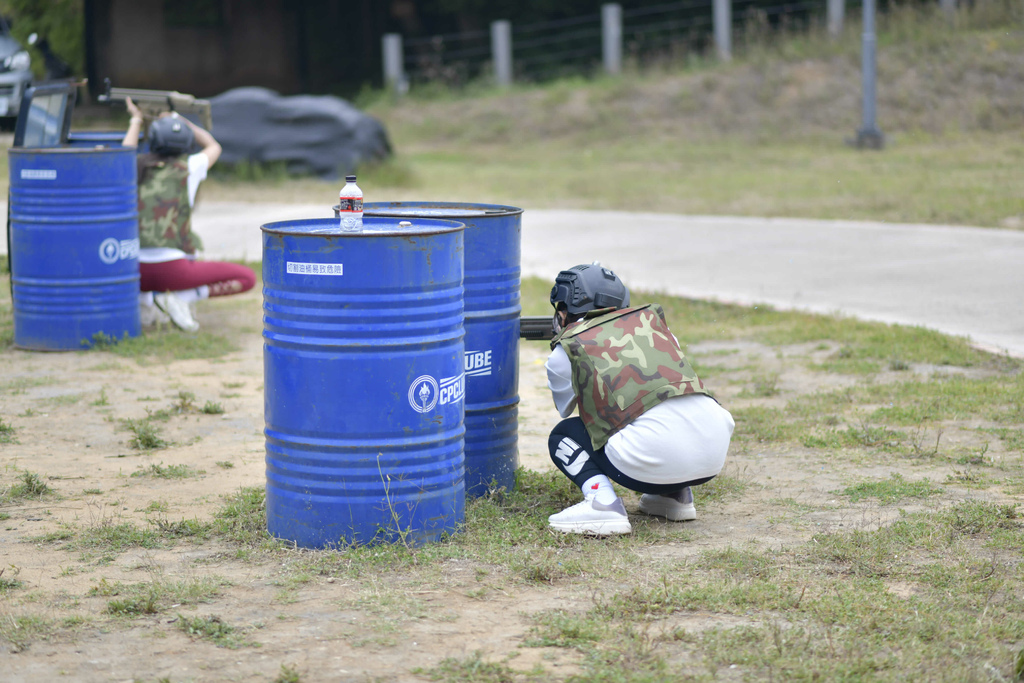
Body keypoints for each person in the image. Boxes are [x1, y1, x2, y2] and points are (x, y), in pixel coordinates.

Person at [544, 263, 735, 536]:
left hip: (653, 457)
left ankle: (603, 504)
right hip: (713, 449)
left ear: (564, 312)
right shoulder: (656, 329)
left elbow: (566, 408)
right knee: (657, 410)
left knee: (564, 435)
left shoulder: (566, 352)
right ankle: (674, 496)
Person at [122, 97, 256, 332]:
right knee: (247, 278)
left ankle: (144, 300)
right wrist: (179, 119)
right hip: (174, 271)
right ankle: (184, 297)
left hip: (133, 270)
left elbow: (123, 154)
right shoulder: (190, 167)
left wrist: (136, 119)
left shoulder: (134, 166)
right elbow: (214, 146)